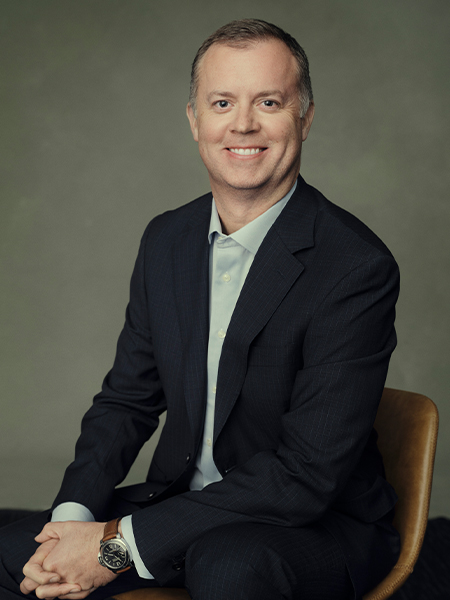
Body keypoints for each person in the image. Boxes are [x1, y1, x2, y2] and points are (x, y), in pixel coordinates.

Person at [0, 18, 401, 600]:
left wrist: (115, 549)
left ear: (306, 117)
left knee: (227, 567)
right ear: (195, 120)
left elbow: (305, 475)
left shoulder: (354, 266)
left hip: (313, 523)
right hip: (180, 506)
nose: (243, 124)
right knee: (17, 555)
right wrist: (70, 522)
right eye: (222, 102)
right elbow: (127, 400)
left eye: (269, 101)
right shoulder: (167, 240)